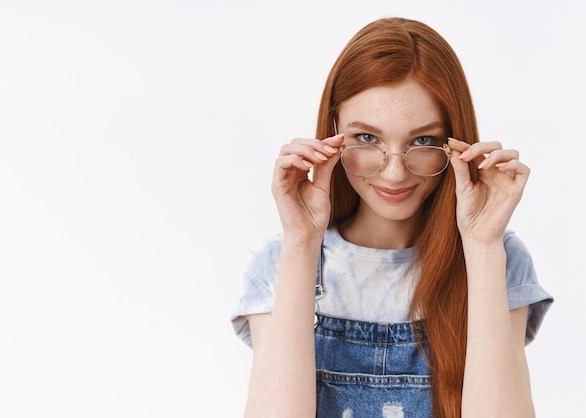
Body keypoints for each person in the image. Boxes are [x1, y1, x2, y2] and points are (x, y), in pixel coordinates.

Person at [231, 17, 553, 418]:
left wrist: (482, 244)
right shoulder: (278, 262)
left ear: (455, 142)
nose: (395, 172)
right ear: (333, 133)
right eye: (367, 138)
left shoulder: (497, 256)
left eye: (424, 140)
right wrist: (301, 243)